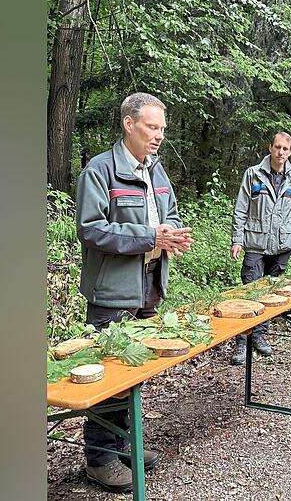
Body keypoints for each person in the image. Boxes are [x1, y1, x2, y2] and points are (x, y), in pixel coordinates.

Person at [75, 92, 193, 492]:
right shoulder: (100, 170)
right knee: (109, 376)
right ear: (129, 124)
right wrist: (149, 236)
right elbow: (91, 229)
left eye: (162, 129)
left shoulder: (157, 171)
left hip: (148, 287)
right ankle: (100, 460)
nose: (159, 135)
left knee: (135, 374)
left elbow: (170, 211)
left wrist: (172, 234)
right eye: (152, 127)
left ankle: (126, 447)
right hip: (111, 291)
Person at [229, 132, 291, 365]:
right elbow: (241, 209)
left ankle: (260, 337)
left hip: (282, 246)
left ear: (290, 152)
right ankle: (242, 342)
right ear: (270, 148)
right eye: (277, 147)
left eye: (285, 149)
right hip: (255, 243)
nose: (281, 152)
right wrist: (237, 239)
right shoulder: (253, 175)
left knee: (271, 295)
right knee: (250, 292)